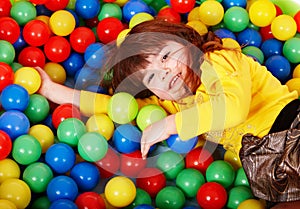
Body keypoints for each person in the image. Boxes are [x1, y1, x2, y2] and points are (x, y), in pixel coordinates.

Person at [36, 19, 300, 208]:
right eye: (151, 76)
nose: (164, 74)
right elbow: (112, 106)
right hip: (265, 166)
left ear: (186, 43)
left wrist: (170, 125)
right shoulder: (170, 104)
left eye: (165, 57)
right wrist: (54, 91)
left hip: (291, 129)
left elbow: (232, 107)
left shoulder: (217, 60)